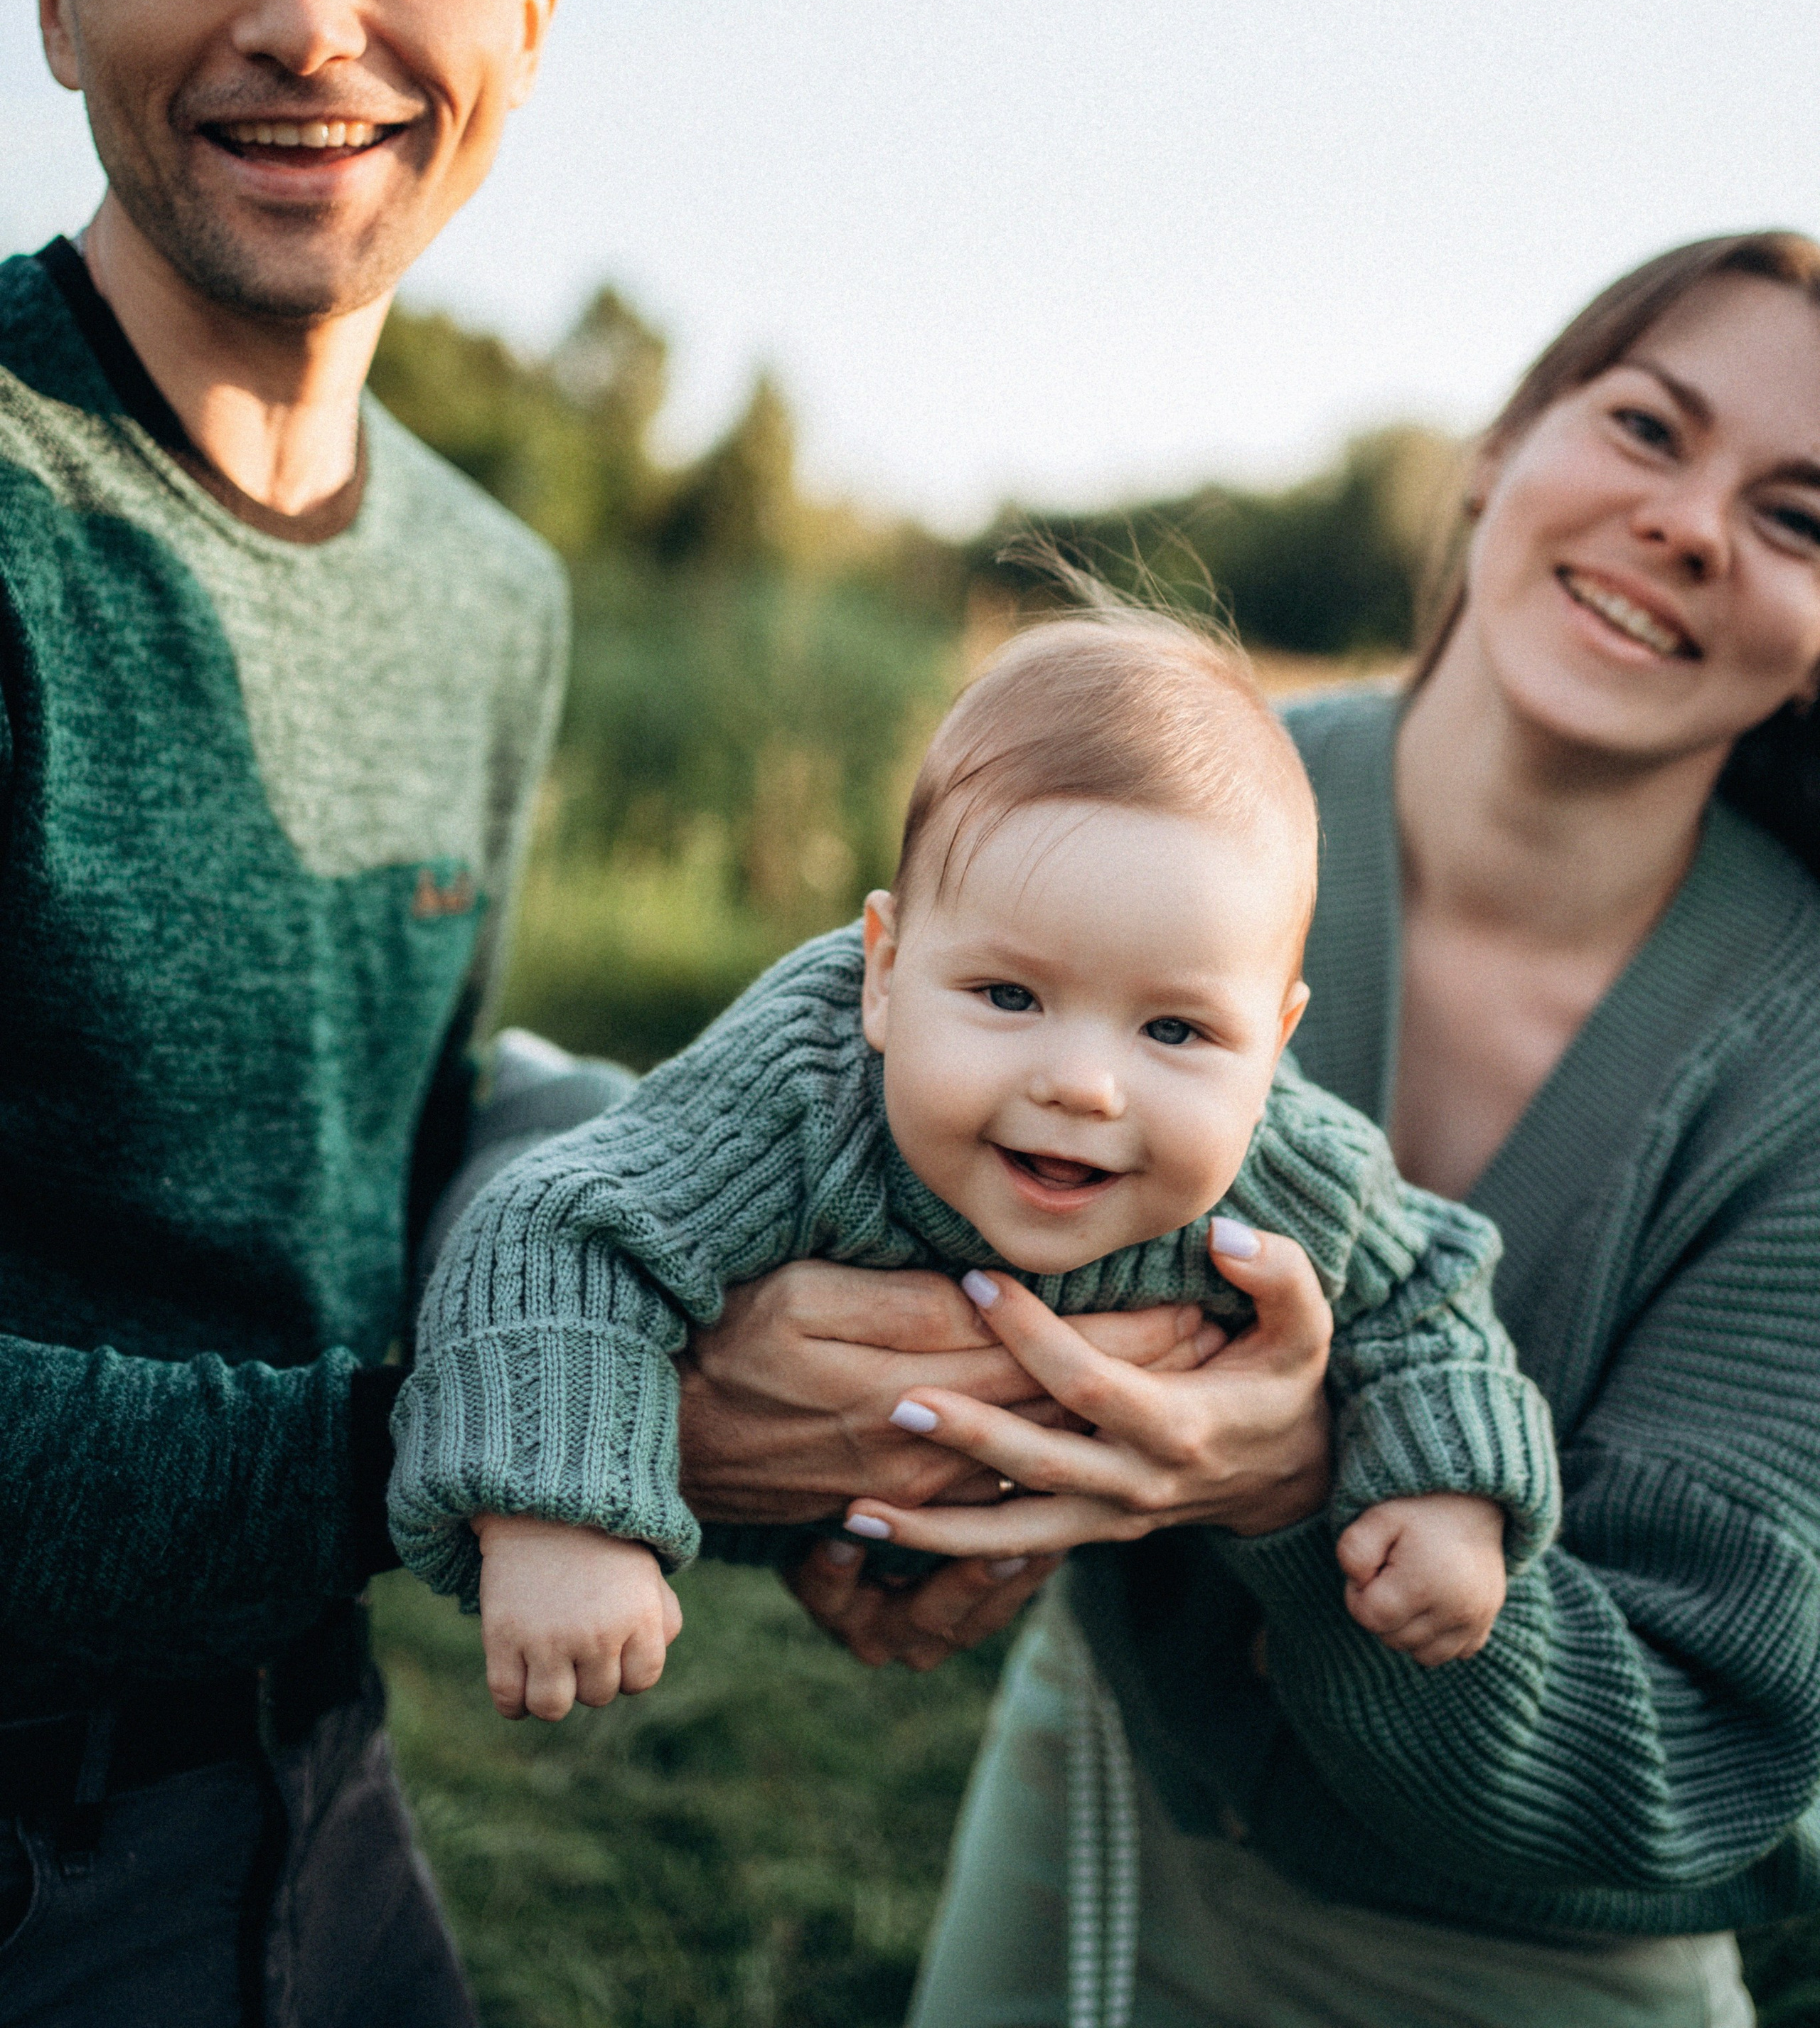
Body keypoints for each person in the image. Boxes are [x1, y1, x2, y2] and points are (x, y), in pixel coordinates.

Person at [668, 230, 1820, 2027]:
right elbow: (784, 1241)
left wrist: (1299, 1488)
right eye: (1644, 428)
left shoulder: (1793, 1060)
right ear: (1496, 451)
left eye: (1796, 517)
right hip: (1106, 1803)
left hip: (1534, 1943)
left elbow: (1688, 1750)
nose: (1687, 525)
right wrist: (861, 1504)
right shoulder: (1149, 798)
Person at [1, 0, 565, 2025]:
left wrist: (813, 1433)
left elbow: (411, 1179)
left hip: (319, 1791)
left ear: (531, 3)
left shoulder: (496, 594)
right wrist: (501, 1452)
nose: (306, 14)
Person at [390, 609, 1558, 1716]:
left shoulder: (1291, 1167)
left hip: (989, 1561)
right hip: (683, 1295)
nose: (1084, 1085)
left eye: (1176, 1031)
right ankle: (542, 1082)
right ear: (885, 972)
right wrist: (558, 1513)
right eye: (1010, 995)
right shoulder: (803, 1084)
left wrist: (1448, 1489)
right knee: (579, 1149)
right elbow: (558, 1227)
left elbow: (1429, 1288)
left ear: (1275, 1045)